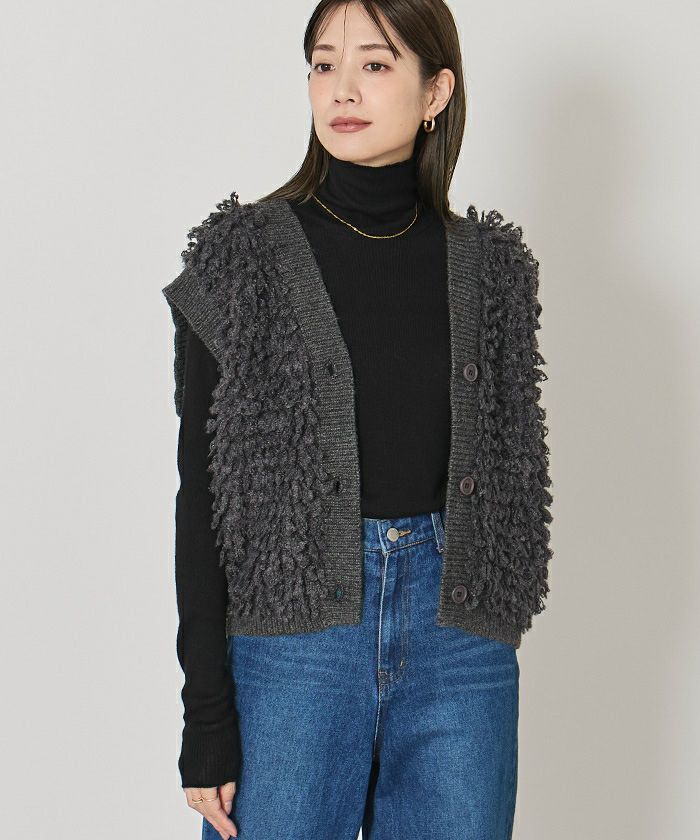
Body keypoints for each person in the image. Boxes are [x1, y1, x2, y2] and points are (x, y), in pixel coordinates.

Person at [162, 2, 553, 838]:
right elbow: (201, 503)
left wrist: (489, 619)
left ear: (435, 91)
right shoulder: (239, 261)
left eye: (375, 64)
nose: (341, 88)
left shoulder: (493, 273)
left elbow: (518, 475)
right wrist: (207, 718)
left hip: (459, 650)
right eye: (323, 64)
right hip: (293, 650)